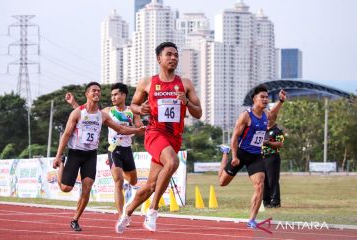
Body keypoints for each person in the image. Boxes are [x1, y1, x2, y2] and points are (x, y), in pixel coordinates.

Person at [116, 42, 202, 233]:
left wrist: (186, 102)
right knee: (172, 163)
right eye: (169, 55)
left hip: (174, 138)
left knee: (151, 186)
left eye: (176, 55)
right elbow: (133, 105)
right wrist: (141, 109)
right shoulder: (148, 82)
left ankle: (127, 213)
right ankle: (153, 211)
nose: (173, 58)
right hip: (155, 133)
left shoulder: (185, 84)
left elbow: (199, 113)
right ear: (159, 59)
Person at [53, 82, 145, 231]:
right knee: (65, 188)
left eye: (99, 91)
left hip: (91, 155)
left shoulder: (102, 115)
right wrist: (58, 156)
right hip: (75, 153)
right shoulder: (80, 112)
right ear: (87, 94)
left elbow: (120, 128)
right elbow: (68, 133)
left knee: (87, 187)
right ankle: (63, 164)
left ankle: (75, 219)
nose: (97, 93)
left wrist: (139, 130)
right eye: (94, 91)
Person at [218, 85, 286, 229]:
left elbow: (273, 114)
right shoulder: (246, 116)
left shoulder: (266, 115)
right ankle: (225, 153)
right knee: (222, 182)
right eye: (262, 97)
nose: (265, 99)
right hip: (241, 153)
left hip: (255, 155)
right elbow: (235, 137)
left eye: (267, 97)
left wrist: (280, 101)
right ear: (254, 99)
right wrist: (234, 156)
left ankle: (251, 219)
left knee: (260, 183)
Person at [262, 114, 284, 208]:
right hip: (261, 158)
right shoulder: (263, 130)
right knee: (263, 180)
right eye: (266, 119)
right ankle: (266, 201)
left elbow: (280, 144)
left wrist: (268, 143)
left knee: (272, 180)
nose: (267, 120)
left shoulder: (277, 131)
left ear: (274, 119)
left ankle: (275, 202)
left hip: (272, 157)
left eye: (269, 119)